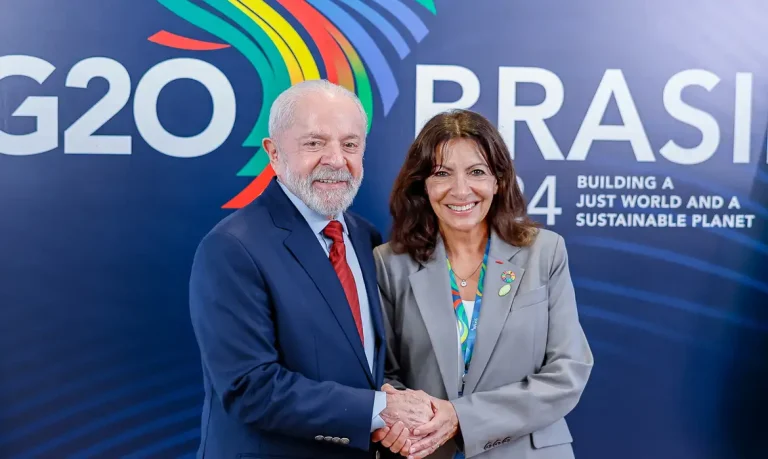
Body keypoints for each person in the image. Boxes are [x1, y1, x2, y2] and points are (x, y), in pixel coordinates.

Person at [188, 80, 433, 459]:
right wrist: (377, 410)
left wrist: (390, 400)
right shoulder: (232, 248)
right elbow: (249, 387)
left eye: (350, 144)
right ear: (273, 152)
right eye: (315, 143)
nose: (336, 160)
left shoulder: (365, 237)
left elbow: (362, 362)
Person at [373, 109, 594, 458]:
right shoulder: (390, 263)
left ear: (498, 181)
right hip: (426, 451)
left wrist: (462, 417)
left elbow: (568, 371)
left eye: (476, 172)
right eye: (442, 174)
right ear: (422, 185)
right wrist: (409, 420)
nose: (461, 190)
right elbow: (384, 374)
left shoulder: (544, 252)